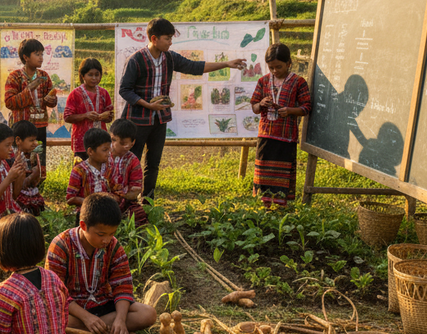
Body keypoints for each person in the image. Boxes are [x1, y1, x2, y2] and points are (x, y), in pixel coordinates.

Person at [118, 18, 246, 201]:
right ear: (154, 38)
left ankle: (147, 202)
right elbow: (125, 90)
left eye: (171, 38)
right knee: (133, 161)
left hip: (159, 119)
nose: (171, 42)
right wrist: (148, 105)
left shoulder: (170, 57)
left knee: (153, 163)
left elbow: (196, 67)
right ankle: (127, 201)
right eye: (167, 38)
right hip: (137, 120)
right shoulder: (136, 60)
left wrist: (226, 64)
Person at [46, 193, 156, 334]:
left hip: (103, 305)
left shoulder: (113, 246)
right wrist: (87, 318)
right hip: (73, 311)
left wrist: (120, 320)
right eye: (101, 234)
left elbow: (122, 286)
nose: (107, 240)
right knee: (51, 319)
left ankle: (103, 329)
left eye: (112, 234)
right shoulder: (60, 246)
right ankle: (103, 330)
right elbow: (56, 293)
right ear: (83, 225)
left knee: (148, 314)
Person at [251, 43, 312, 208]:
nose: (275, 71)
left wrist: (290, 110)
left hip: (286, 137)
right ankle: (265, 206)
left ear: (289, 63)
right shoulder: (263, 81)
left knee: (282, 174)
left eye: (279, 66)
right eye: (271, 67)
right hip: (266, 135)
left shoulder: (299, 82)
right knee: (264, 173)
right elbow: (255, 108)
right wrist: (262, 103)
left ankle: (281, 207)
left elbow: (306, 107)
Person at [3, 38, 58, 169]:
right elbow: (9, 102)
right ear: (26, 57)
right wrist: (29, 89)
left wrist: (51, 101)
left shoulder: (44, 76)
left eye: (42, 54)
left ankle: (37, 183)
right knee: (20, 159)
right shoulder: (14, 76)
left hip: (39, 127)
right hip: (21, 126)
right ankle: (19, 185)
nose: (41, 58)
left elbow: (51, 100)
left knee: (38, 158)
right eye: (37, 54)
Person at [64, 58, 113, 161]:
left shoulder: (104, 94)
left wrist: (102, 117)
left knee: (100, 171)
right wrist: (85, 115)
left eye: (97, 74)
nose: (94, 78)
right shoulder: (75, 94)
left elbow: (110, 117)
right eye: (90, 75)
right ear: (83, 76)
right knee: (81, 171)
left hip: (101, 141)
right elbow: (67, 117)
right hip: (81, 143)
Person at [106, 119, 149, 226]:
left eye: (122, 143)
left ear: (132, 143)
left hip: (124, 201)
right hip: (102, 199)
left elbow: (136, 188)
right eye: (113, 140)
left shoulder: (133, 161)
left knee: (138, 214)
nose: (115, 145)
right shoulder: (101, 154)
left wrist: (124, 196)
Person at [66, 128, 114, 209]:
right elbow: (70, 198)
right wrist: (91, 202)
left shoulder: (109, 167)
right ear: (90, 151)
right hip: (87, 212)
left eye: (109, 149)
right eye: (105, 150)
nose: (108, 153)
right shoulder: (79, 171)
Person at [10, 120, 46, 216]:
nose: (35, 143)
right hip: (16, 193)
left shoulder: (31, 154)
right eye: (31, 140)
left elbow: (35, 181)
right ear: (18, 140)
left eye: (35, 140)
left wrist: (35, 174)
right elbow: (15, 184)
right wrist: (30, 177)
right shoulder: (12, 156)